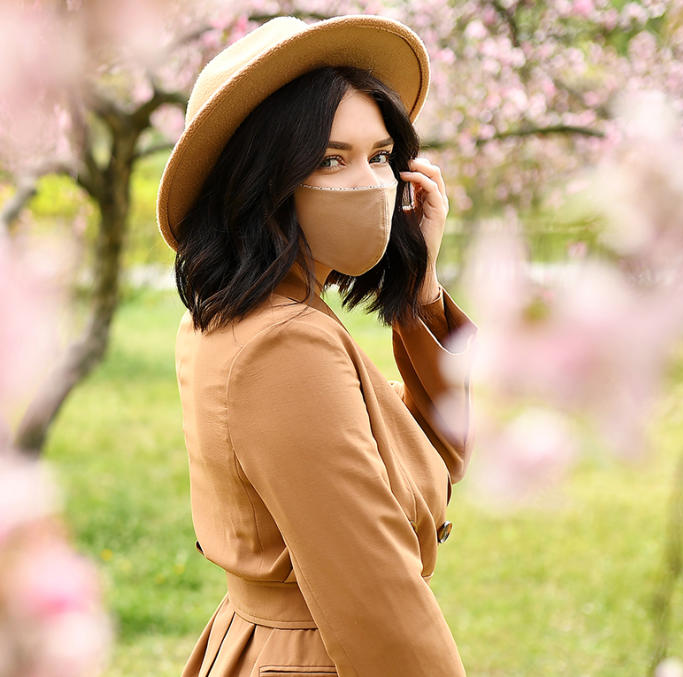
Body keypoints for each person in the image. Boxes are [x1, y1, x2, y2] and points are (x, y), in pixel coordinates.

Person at [157, 14, 478, 677]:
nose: (368, 183)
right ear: (263, 176)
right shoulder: (285, 345)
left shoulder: (247, 315)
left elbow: (428, 459)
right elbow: (378, 598)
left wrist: (421, 289)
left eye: (381, 156)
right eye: (331, 158)